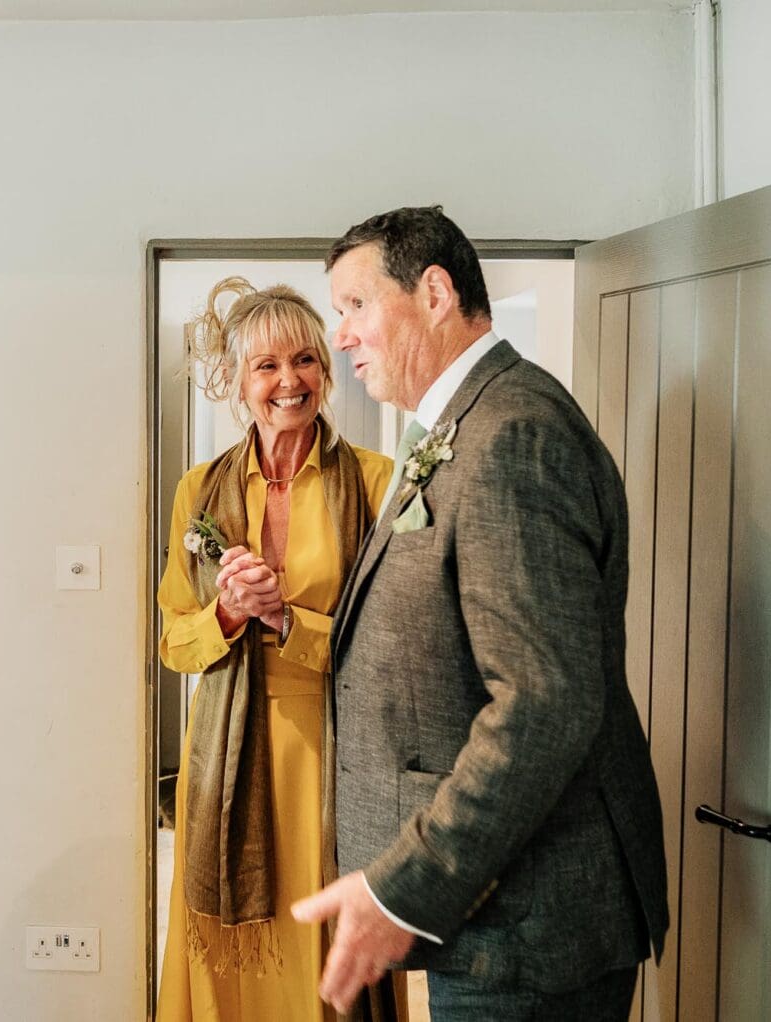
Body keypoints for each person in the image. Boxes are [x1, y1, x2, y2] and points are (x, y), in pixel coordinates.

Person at [293, 206, 668, 1020]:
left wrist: (406, 886)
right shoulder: (460, 423)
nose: (343, 335)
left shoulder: (512, 435)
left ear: (433, 291)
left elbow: (543, 704)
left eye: (355, 306)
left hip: (531, 926)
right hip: (494, 918)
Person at [156, 277, 394, 1021]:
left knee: (315, 941)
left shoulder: (377, 483)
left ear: (326, 369)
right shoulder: (199, 491)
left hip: (328, 749)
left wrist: (288, 622)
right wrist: (227, 613)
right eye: (266, 365)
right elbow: (173, 641)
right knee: (230, 953)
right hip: (219, 757)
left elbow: (389, 644)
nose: (287, 381)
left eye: (303, 360)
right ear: (238, 381)